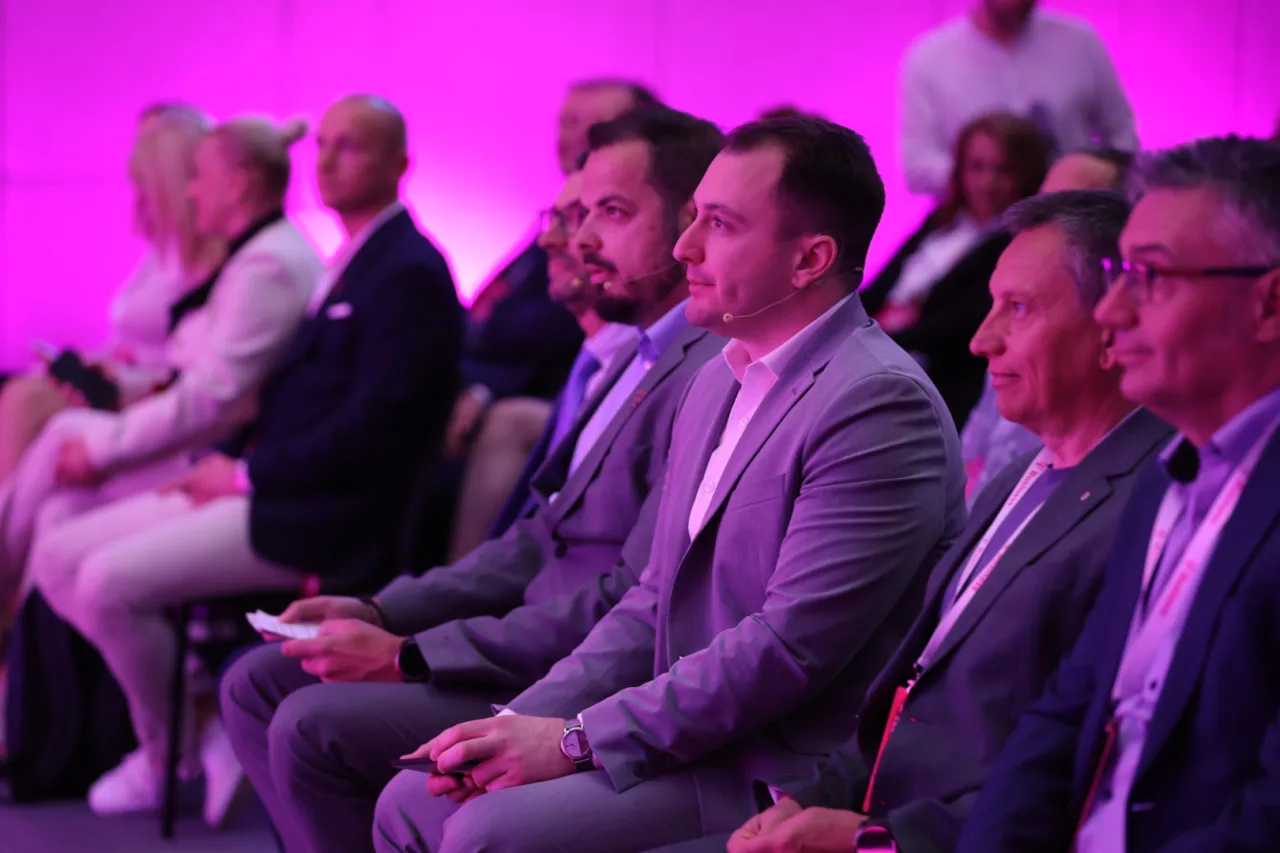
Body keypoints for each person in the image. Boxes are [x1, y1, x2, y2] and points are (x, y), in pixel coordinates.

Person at [375, 115, 967, 853]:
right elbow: (651, 600)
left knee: (484, 833)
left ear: (810, 259)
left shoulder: (877, 403)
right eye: (692, 219)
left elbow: (786, 650)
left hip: (776, 770)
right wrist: (518, 724)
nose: (685, 247)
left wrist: (573, 739)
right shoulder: (716, 375)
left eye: (718, 224)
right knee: (411, 801)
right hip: (681, 732)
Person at [218, 106, 727, 853]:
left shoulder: (706, 370)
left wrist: (413, 651)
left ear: (690, 227)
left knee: (309, 723)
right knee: (257, 681)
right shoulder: (635, 356)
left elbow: (628, 599)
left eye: (608, 214)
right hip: (531, 643)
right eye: (573, 216)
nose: (573, 240)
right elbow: (535, 542)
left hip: (573, 671)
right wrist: (383, 608)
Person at [674, 191, 1172, 853]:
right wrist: (806, 802)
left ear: (1111, 327)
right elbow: (906, 698)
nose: (981, 339)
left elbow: (1072, 772)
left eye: (1019, 308)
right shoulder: (1013, 479)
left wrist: (877, 841)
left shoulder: (1148, 509)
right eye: (991, 305)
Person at [24, 95, 462, 819]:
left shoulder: (406, 269)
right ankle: (196, 722)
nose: (326, 161)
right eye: (322, 144)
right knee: (58, 550)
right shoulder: (350, 261)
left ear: (401, 164)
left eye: (350, 146)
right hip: (276, 486)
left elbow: (375, 431)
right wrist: (231, 464)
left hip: (323, 517)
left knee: (100, 578)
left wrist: (246, 473)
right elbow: (283, 399)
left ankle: (168, 752)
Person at [957, 135, 1280, 852]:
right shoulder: (1167, 476)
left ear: (1270, 303)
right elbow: (1062, 718)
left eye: (1151, 278)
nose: (1110, 313)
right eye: (1118, 276)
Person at [0, 115, 320, 619]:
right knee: (57, 502)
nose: (192, 193)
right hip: (205, 441)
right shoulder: (254, 256)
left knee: (64, 462)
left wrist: (101, 450)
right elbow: (197, 377)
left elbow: (209, 398)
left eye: (200, 177)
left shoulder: (266, 265)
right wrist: (126, 384)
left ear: (237, 184)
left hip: (223, 460)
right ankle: (25, 641)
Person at [0, 104, 225, 484]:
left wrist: (121, 380)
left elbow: (196, 378)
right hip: (129, 387)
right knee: (22, 393)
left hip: (153, 403)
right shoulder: (164, 251)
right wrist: (98, 365)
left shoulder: (217, 264)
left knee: (29, 405)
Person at [443, 79, 660, 462]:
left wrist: (484, 388)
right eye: (567, 122)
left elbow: (548, 338)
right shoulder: (550, 228)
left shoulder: (617, 246)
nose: (573, 136)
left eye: (593, 125)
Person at [455, 162, 639, 552]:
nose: (548, 240)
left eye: (575, 218)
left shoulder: (649, 362)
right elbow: (492, 324)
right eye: (555, 218)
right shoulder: (595, 355)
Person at [962, 144, 1135, 502]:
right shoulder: (1011, 359)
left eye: (1072, 208)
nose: (980, 342)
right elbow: (968, 464)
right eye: (1045, 200)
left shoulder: (1131, 488)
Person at [861, 112, 1050, 428]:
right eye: (977, 167)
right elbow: (880, 287)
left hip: (937, 383)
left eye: (1003, 170)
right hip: (882, 351)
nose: (987, 183)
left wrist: (876, 339)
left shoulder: (1019, 243)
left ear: (1027, 174)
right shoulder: (941, 221)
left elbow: (962, 324)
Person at [901, 0, 1137, 197]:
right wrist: (983, 181)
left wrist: (1092, 180)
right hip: (975, 231)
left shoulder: (1081, 43)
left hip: (1071, 220)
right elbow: (918, 165)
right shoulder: (930, 57)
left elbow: (1122, 136)